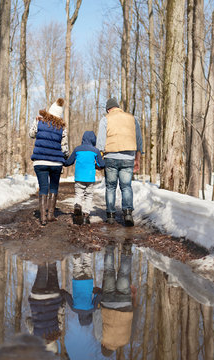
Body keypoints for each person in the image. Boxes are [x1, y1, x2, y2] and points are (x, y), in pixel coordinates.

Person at [96, 98, 143, 226]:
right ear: (118, 107)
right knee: (126, 186)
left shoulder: (106, 119)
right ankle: (127, 213)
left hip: (111, 156)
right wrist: (137, 158)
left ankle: (110, 215)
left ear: (108, 109)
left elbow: (100, 141)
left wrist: (99, 158)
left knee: (110, 186)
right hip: (128, 157)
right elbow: (139, 139)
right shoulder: (132, 118)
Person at [29, 98, 69, 226]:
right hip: (56, 162)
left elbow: (31, 134)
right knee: (53, 187)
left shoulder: (39, 122)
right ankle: (51, 214)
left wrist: (35, 122)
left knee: (43, 187)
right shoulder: (62, 128)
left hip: (40, 161)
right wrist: (65, 157)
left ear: (50, 111)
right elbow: (64, 148)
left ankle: (43, 217)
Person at [93, 242, 137, 357]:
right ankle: (109, 248)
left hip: (125, 304)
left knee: (124, 274)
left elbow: (134, 322)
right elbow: (97, 316)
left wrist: (134, 301)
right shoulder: (100, 338)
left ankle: (127, 249)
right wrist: (97, 299)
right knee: (109, 271)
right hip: (107, 302)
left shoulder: (125, 340)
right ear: (103, 346)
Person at [64, 131, 105, 225]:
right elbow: (101, 164)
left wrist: (63, 161)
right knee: (88, 196)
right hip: (90, 178)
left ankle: (78, 206)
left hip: (79, 177)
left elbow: (69, 162)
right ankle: (86, 216)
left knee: (79, 194)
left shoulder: (77, 149)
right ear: (94, 140)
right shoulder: (95, 151)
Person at [25, 262, 65, 355]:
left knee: (52, 269)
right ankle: (41, 252)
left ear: (56, 346)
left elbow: (61, 311)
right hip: (37, 297)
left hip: (53, 296)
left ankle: (53, 251)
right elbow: (27, 320)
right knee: (41, 269)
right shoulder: (35, 336)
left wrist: (62, 299)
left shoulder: (57, 332)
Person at [61, 252, 102, 326]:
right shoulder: (74, 309)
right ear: (80, 318)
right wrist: (62, 292)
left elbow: (99, 295)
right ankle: (76, 252)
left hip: (88, 282)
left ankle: (87, 250)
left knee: (87, 264)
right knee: (77, 266)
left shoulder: (92, 309)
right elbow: (67, 296)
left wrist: (95, 291)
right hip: (77, 282)